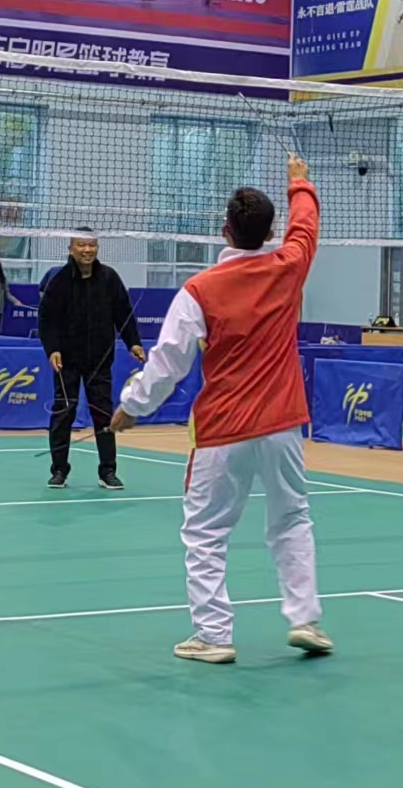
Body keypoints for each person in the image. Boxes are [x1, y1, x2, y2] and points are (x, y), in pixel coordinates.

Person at [111, 155, 330, 664]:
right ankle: (305, 619)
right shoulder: (289, 266)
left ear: (225, 229)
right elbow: (306, 226)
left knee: (205, 533)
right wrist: (300, 182)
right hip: (282, 426)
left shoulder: (199, 290)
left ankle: (214, 635)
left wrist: (131, 407)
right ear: (269, 233)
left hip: (224, 430)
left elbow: (168, 362)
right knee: (292, 518)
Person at [37, 232, 145, 490]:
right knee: (64, 413)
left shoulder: (109, 278)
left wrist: (133, 342)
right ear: (71, 248)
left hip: (100, 360)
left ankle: (108, 471)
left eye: (92, 245)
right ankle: (59, 470)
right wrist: (52, 349)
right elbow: (47, 319)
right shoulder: (59, 280)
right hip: (66, 361)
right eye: (82, 245)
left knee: (103, 415)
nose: (87, 249)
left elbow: (124, 314)